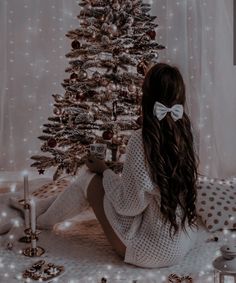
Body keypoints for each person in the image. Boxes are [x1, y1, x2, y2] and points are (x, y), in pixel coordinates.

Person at [37, 62, 199, 268]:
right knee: (107, 182)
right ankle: (44, 208)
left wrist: (104, 171)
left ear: (146, 96)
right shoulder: (185, 134)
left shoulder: (141, 139)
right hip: (180, 243)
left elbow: (129, 206)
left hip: (151, 251)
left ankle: (41, 221)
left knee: (89, 179)